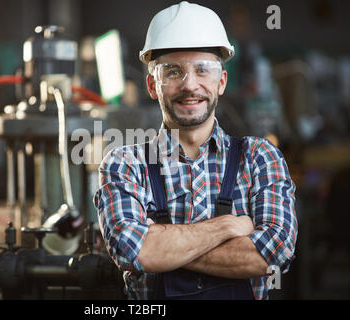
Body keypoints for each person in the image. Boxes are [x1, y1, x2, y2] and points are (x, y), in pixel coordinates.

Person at [93, 1, 297, 300]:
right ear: (153, 85)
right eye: (173, 71)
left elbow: (273, 255)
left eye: (203, 70)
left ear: (221, 82)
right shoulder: (125, 164)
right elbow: (131, 251)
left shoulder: (260, 157)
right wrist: (229, 226)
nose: (190, 85)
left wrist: (160, 248)